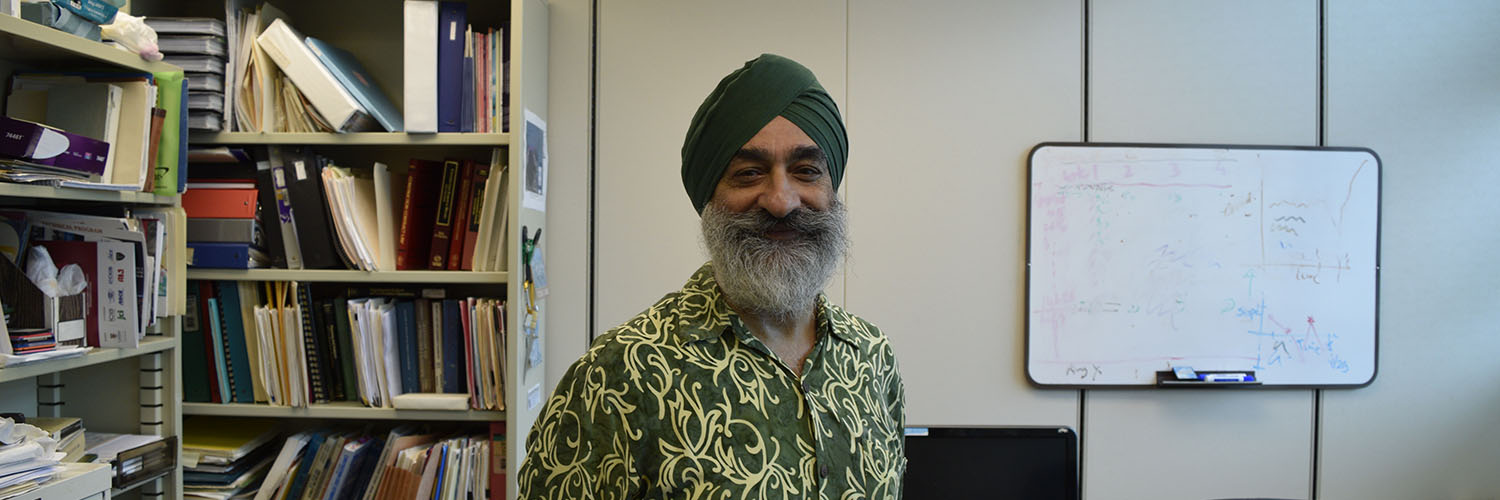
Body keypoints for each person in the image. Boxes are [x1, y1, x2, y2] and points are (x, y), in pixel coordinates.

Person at [517, 54, 905, 499]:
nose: (781, 200)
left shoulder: (873, 359)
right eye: (749, 173)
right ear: (709, 201)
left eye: (806, 171)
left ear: (830, 191)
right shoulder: (623, 373)